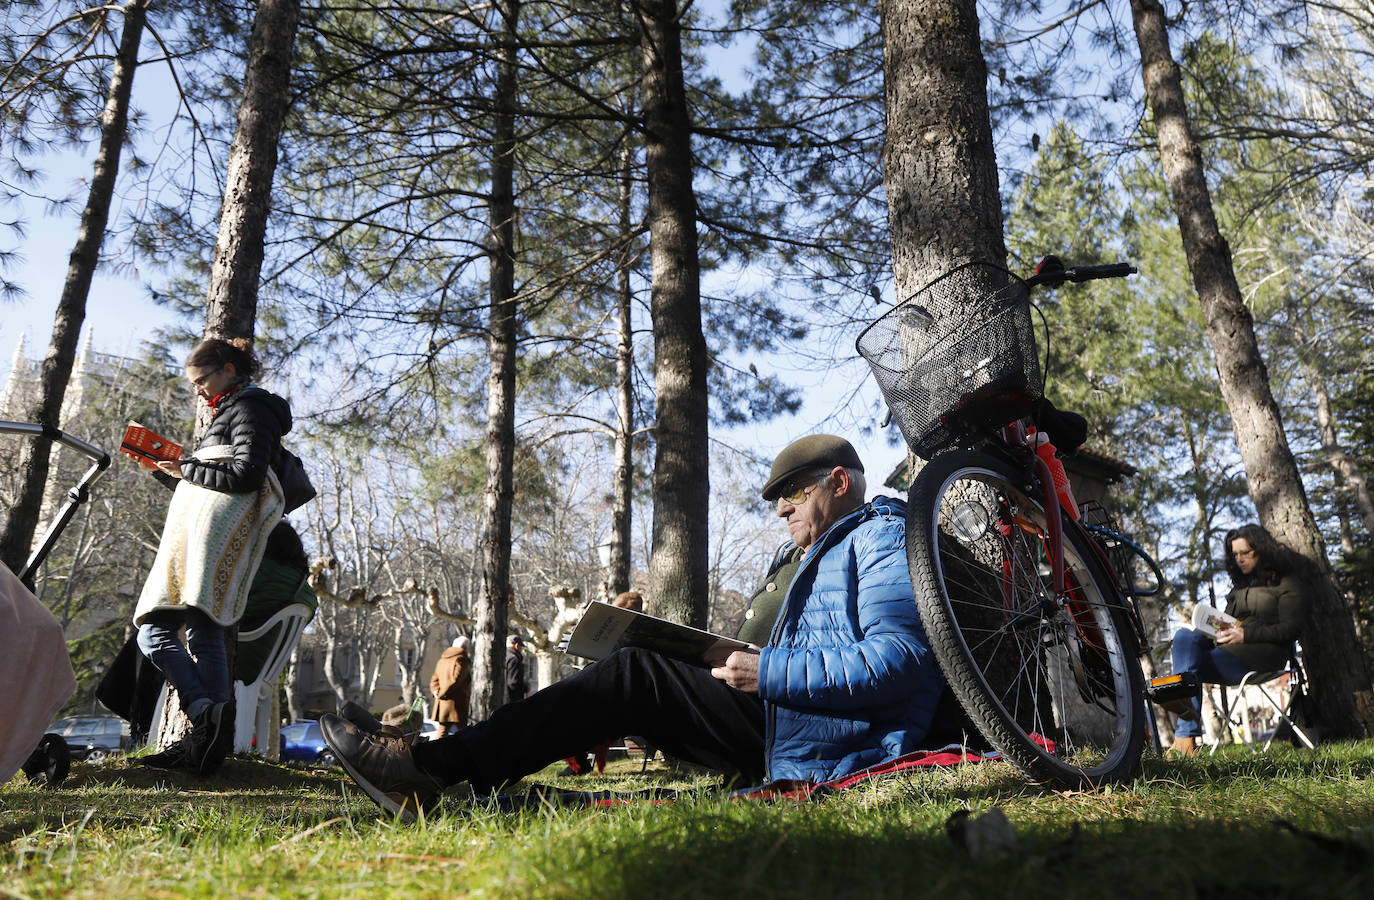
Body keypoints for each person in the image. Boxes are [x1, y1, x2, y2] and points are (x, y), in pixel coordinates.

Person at [320, 433, 946, 822]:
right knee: (636, 666)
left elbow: (903, 659)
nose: (780, 508)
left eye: (792, 492)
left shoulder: (882, 538)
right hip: (798, 725)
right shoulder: (824, 549)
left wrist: (769, 670)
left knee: (634, 674)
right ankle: (437, 768)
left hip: (837, 742)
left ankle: (427, 768)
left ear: (838, 484)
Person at [134, 337, 292, 774]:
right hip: (204, 539)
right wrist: (176, 473)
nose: (198, 390)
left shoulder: (251, 407)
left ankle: (203, 716)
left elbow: (244, 474)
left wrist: (186, 466)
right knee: (204, 636)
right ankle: (208, 742)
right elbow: (217, 479)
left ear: (226, 369)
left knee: (154, 632)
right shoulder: (234, 408)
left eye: (201, 380)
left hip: (213, 543)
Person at [1168, 523, 1310, 756]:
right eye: (1235, 555)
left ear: (1262, 549)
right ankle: (1186, 737)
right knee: (1184, 636)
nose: (1239, 559)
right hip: (1228, 649)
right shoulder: (1239, 586)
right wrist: (1219, 630)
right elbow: (1230, 622)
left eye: (1245, 553)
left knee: (1185, 671)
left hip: (1264, 655)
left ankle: (1185, 738)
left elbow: (1291, 629)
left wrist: (1246, 635)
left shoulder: (1285, 582)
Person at [431, 637, 472, 734]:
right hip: (457, 702)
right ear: (466, 648)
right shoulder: (461, 659)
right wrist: (442, 693)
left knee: (442, 731)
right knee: (464, 733)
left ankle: (437, 749)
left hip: (443, 702)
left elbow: (434, 679)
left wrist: (436, 691)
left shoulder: (442, 659)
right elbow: (456, 680)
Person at [504, 634, 528, 703]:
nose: (521, 650)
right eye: (521, 647)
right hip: (513, 699)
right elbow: (513, 683)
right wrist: (525, 687)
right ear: (517, 645)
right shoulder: (514, 659)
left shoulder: (503, 656)